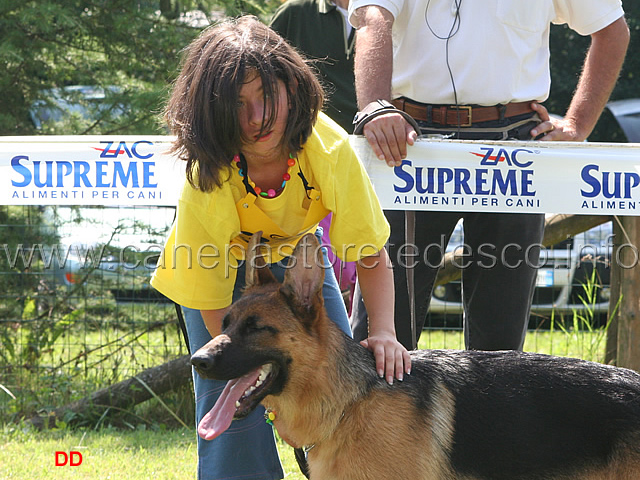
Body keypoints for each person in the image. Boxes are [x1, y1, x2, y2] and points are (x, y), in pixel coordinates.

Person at [150, 16, 410, 480]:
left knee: (332, 377)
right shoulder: (208, 177)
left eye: (266, 97)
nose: (256, 119)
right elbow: (217, 314)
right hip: (218, 262)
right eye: (237, 105)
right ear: (213, 111)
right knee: (234, 405)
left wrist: (385, 332)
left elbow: (369, 253)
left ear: (292, 86)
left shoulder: (328, 150)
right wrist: (245, 373)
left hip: (296, 251)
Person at [348, 0, 629, 351]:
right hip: (409, 144)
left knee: (500, 347)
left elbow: (612, 29)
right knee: (381, 334)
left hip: (514, 149)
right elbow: (372, 15)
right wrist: (374, 106)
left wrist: (577, 124)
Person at [270, 0, 359, 313]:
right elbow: (263, 80)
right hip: (304, 166)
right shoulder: (295, 14)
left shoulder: (399, 13)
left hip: (377, 162)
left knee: (366, 260)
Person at [269, 0, 357, 132]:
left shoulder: (387, 15)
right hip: (309, 134)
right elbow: (263, 69)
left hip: (376, 135)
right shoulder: (295, 11)